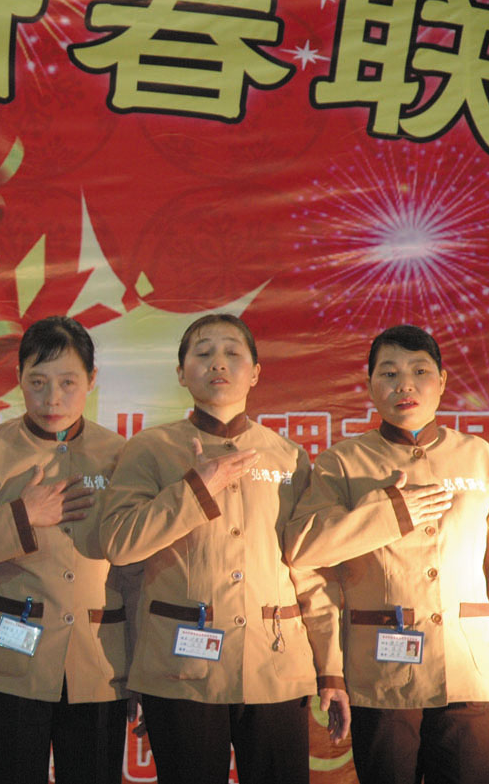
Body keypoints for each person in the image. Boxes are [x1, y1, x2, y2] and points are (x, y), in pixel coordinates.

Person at [98, 313, 345, 784]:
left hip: (276, 664)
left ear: (255, 373)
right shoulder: (150, 449)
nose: (218, 363)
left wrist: (330, 667)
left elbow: (309, 568)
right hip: (181, 667)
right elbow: (120, 544)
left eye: (233, 353)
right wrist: (195, 490)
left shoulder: (288, 456)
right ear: (181, 372)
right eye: (203, 353)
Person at [284, 324, 489, 784]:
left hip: (471, 667)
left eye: (419, 372)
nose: (404, 385)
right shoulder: (342, 462)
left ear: (442, 381)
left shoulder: (480, 457)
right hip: (381, 671)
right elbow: (304, 549)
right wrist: (388, 513)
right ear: (370, 384)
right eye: (389, 374)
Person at [0, 315, 138, 784]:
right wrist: (20, 517)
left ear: (92, 380)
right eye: (37, 382)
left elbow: (136, 570)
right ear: (18, 378)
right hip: (5, 663)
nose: (52, 398)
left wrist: (143, 665)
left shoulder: (121, 455)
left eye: (68, 383)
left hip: (99, 664)